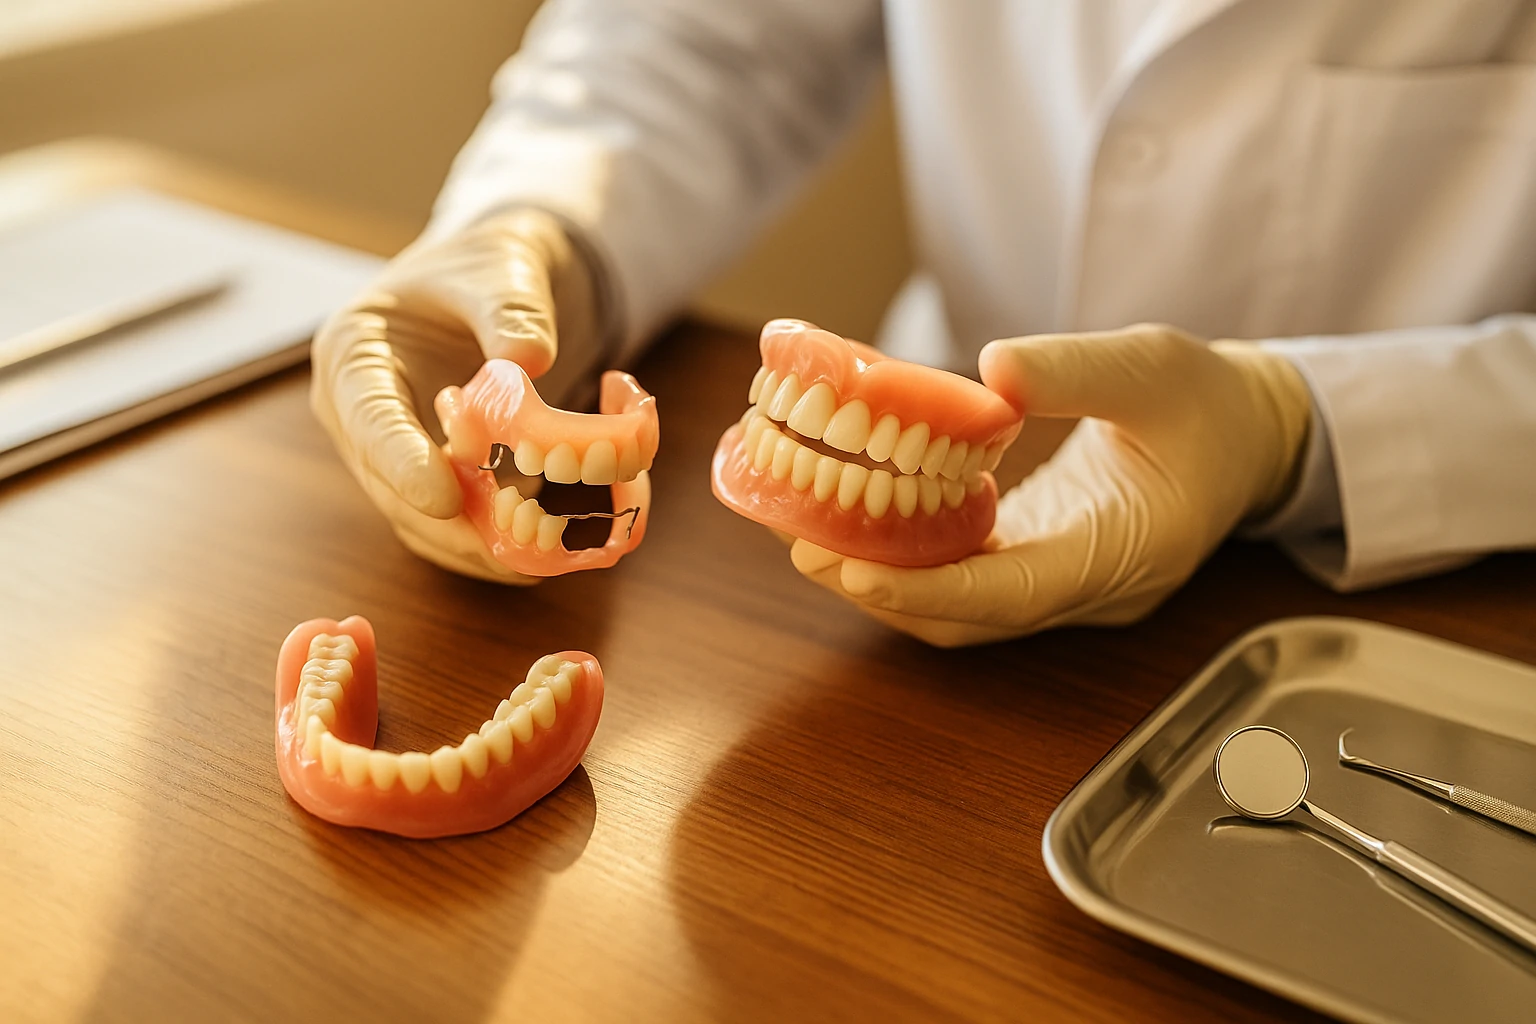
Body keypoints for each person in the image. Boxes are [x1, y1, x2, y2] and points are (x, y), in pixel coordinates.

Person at [311, 1, 1536, 647]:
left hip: (1445, 609)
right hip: (874, 598)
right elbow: (703, 38)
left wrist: (1291, 428)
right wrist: (545, 234)